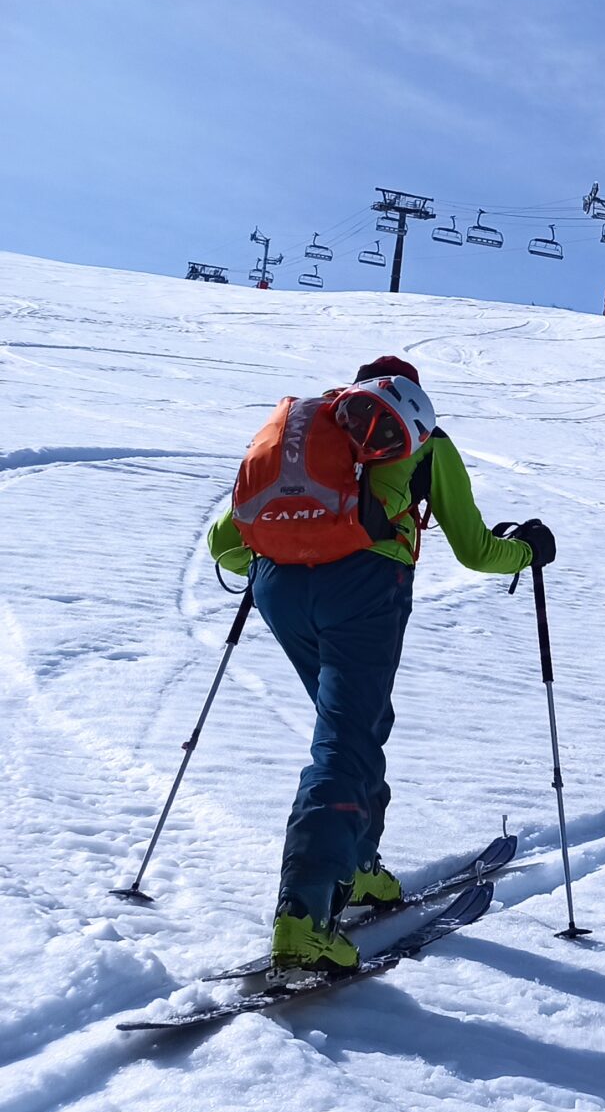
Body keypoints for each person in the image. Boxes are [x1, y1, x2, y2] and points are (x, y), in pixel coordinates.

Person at [206, 355, 551, 976]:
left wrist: (294, 555)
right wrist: (527, 551)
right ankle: (305, 916)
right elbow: (474, 550)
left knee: (358, 727)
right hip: (365, 589)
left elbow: (224, 544)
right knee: (345, 740)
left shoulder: (305, 436)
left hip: (278, 591)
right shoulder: (426, 443)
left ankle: (359, 867)